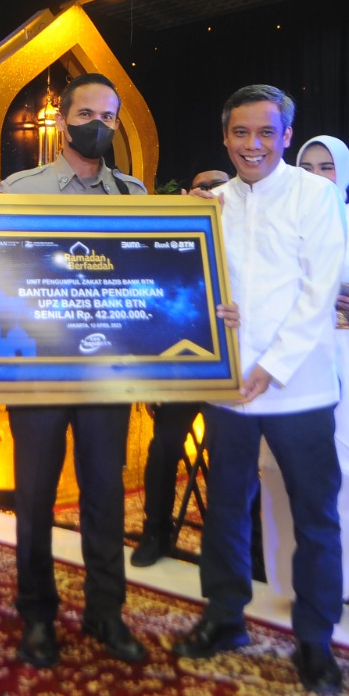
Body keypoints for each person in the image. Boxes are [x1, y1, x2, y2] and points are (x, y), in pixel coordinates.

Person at [0, 72, 151, 669]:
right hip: (37, 369)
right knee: (33, 495)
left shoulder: (133, 195)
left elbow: (149, 278)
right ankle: (37, 614)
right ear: (63, 121)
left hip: (107, 370)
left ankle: (107, 612)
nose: (97, 126)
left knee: (105, 494)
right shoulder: (19, 189)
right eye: (86, 115)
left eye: (108, 117)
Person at [170, 84, 348, 696]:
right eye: (241, 133)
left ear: (286, 136)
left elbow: (320, 291)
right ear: (225, 137)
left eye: (267, 132)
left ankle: (316, 641)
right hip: (228, 386)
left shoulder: (317, 195)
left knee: (315, 516)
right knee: (224, 509)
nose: (254, 145)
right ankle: (224, 618)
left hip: (299, 387)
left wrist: (271, 366)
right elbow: (192, 287)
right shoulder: (210, 204)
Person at [256, 136, 349, 633]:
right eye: (307, 166)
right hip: (289, 354)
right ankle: (300, 582)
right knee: (280, 467)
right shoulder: (281, 217)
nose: (317, 175)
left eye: (327, 166)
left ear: (344, 171)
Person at [132, 168, 232, 568]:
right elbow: (153, 306)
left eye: (217, 188)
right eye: (202, 188)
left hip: (230, 366)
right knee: (164, 446)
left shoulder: (244, 235)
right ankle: (155, 530)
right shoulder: (169, 239)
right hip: (183, 366)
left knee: (233, 450)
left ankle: (238, 541)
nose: (209, 194)